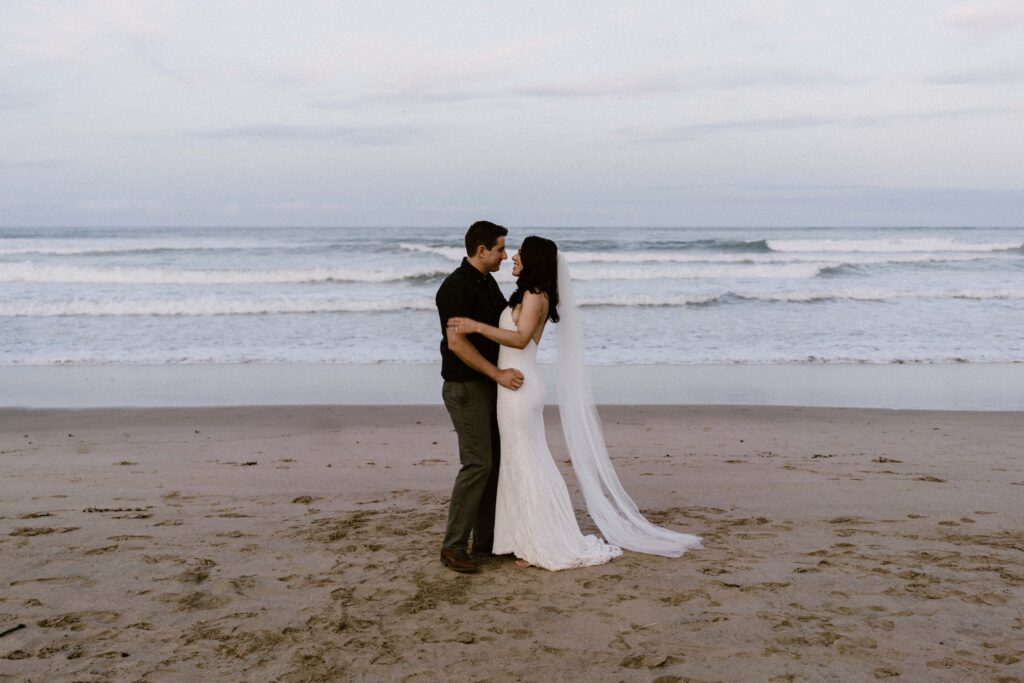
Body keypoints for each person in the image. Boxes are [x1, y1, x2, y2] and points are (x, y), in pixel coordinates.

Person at [447, 236, 703, 571]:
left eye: (520, 254)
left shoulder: (536, 295)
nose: (512, 258)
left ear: (534, 260)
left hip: (520, 386)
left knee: (528, 460)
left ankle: (541, 538)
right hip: (507, 388)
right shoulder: (523, 294)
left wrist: (474, 325)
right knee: (515, 462)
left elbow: (522, 338)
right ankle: (521, 537)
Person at [435, 221, 524, 574]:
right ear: (481, 249)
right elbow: (457, 343)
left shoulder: (487, 282)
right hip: (466, 387)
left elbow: (503, 324)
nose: (504, 255)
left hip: (488, 386)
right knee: (477, 464)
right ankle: (453, 547)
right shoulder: (454, 288)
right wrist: (498, 374)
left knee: (495, 463)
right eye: (500, 249)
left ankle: (485, 542)